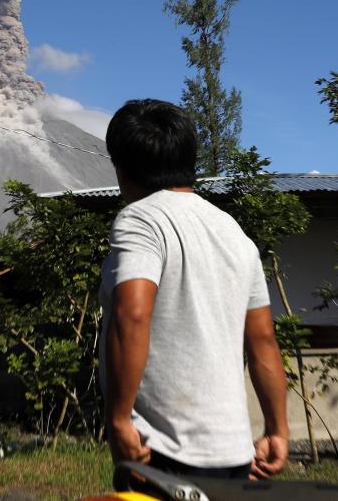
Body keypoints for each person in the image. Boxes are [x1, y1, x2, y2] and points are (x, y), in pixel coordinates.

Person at [100, 99, 289, 481]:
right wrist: (276, 429)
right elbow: (264, 340)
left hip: (159, 454)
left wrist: (119, 419)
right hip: (234, 457)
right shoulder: (234, 234)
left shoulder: (141, 219)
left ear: (121, 169)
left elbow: (132, 314)